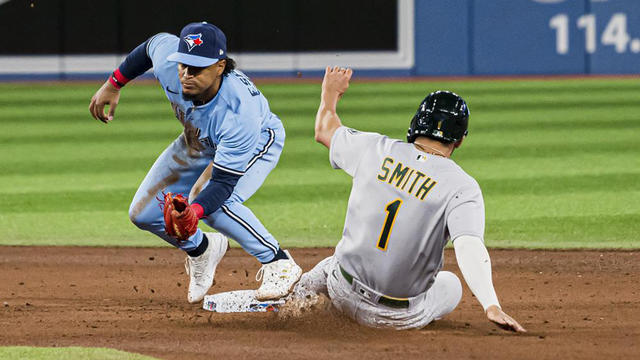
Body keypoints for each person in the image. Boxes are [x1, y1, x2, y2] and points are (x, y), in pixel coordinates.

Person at [291, 66, 526, 332]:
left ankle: (292, 295)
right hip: (393, 319)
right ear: (459, 141)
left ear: (416, 124)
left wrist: (330, 93)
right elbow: (469, 246)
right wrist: (490, 304)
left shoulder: (374, 148)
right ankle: (304, 295)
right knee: (451, 285)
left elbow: (324, 129)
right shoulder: (462, 186)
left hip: (341, 289)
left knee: (332, 263)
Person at [88, 22, 302, 304]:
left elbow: (223, 184)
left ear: (220, 67)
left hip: (258, 140)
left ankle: (278, 261)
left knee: (212, 204)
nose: (186, 75)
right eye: (183, 65)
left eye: (197, 68)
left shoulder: (240, 112)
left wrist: (195, 211)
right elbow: (151, 46)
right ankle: (202, 249)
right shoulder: (170, 65)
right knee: (144, 214)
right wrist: (113, 84)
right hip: (198, 139)